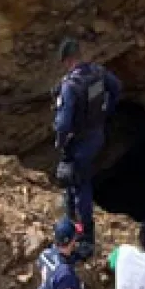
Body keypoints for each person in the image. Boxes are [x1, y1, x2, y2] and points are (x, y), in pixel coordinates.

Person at [53, 37, 121, 260]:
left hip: (79, 142)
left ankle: (86, 236)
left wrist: (61, 143)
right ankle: (71, 212)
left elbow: (63, 124)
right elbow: (116, 87)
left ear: (67, 60)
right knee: (76, 179)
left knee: (81, 183)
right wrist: (106, 113)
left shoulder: (70, 86)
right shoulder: (98, 72)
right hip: (96, 135)